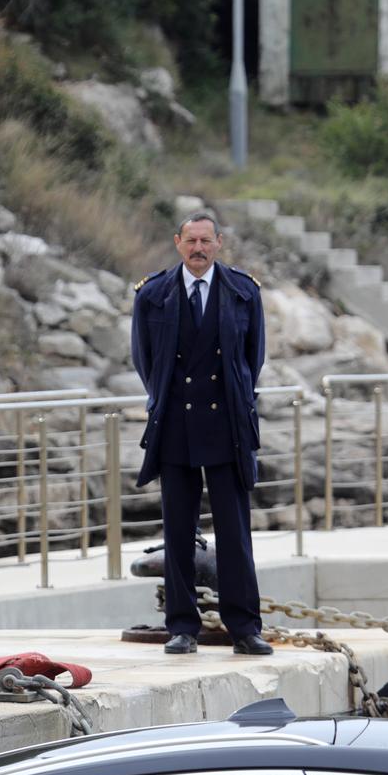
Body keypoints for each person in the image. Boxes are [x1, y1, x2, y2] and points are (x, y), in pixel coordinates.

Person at [130, 211, 272, 656]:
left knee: (235, 532)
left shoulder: (244, 291)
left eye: (205, 241)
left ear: (219, 243)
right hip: (175, 424)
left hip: (227, 425)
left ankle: (244, 628)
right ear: (178, 242)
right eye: (191, 241)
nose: (198, 249)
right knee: (178, 532)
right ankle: (182, 627)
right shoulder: (152, 294)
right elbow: (144, 360)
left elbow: (253, 358)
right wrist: (165, 399)